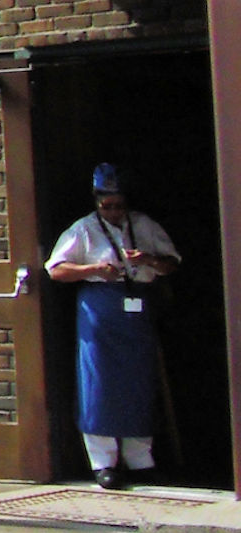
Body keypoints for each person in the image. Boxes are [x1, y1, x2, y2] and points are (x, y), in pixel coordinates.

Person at [46, 163, 180, 489]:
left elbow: (172, 262)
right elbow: (55, 269)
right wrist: (93, 268)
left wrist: (147, 260)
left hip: (136, 308)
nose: (114, 212)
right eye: (107, 206)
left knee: (138, 381)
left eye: (119, 205)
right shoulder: (83, 230)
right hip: (100, 311)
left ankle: (140, 459)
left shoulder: (144, 225)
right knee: (100, 382)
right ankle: (103, 461)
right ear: (97, 202)